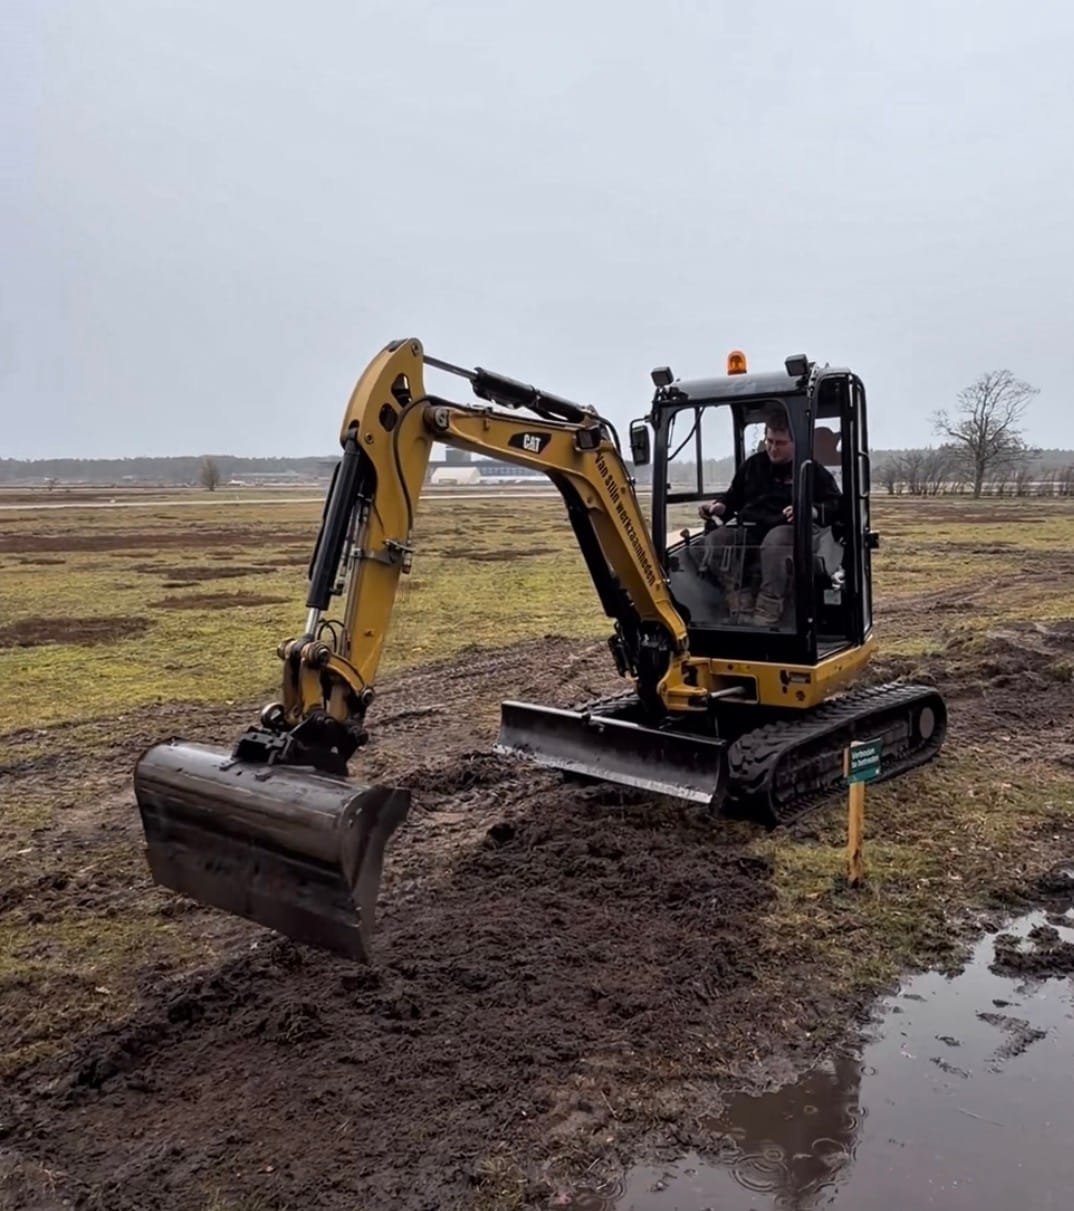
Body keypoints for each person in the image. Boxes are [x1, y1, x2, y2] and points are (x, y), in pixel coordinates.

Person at [697, 409, 842, 626]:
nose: (773, 448)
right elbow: (733, 496)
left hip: (791, 531)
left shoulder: (811, 470)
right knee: (716, 540)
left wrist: (808, 510)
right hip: (751, 530)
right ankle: (741, 602)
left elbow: (835, 504)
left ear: (795, 443)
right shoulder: (753, 466)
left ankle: (768, 611)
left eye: (780, 443)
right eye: (769, 441)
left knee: (775, 541)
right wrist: (719, 507)